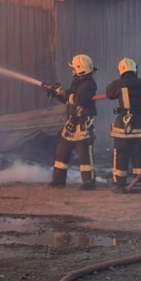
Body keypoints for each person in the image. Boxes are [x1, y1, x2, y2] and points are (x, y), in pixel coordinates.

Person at [106, 58, 141, 195]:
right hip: (140, 124)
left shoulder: (118, 84)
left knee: (121, 154)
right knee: (139, 154)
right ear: (135, 69)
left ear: (120, 70)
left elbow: (109, 94)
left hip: (124, 125)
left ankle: (120, 185)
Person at [48, 54, 98, 190]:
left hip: (83, 125)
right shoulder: (77, 82)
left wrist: (65, 94)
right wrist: (57, 94)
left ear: (79, 69)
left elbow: (79, 99)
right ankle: (58, 180)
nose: (72, 71)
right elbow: (69, 99)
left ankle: (88, 182)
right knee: (62, 153)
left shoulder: (89, 84)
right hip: (71, 123)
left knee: (84, 155)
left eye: (74, 68)